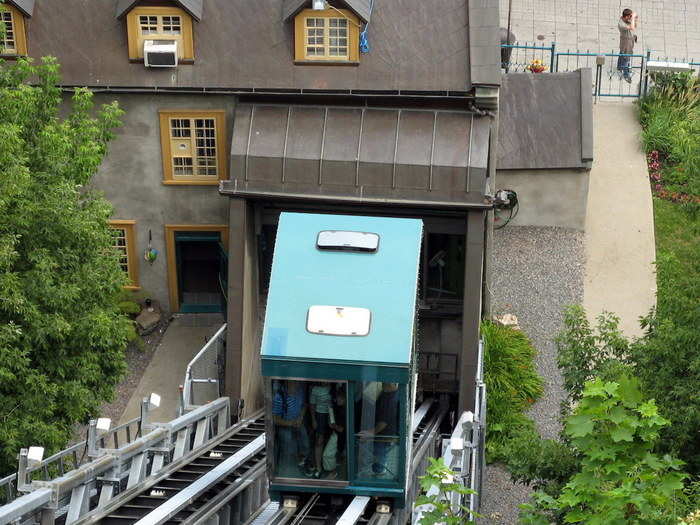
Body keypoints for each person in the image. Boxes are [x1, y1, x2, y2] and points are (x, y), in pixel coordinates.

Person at [357, 382, 400, 477]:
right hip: (384, 431)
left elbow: (383, 422)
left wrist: (371, 433)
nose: (380, 383)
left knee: (378, 451)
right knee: (380, 452)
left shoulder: (391, 400)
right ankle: (378, 469)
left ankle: (379, 472)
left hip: (383, 433)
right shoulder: (388, 393)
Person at [272, 380, 310, 476]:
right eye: (295, 383)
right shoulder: (279, 397)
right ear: (287, 383)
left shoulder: (300, 391)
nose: (297, 385)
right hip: (285, 425)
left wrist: (300, 417)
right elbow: (275, 419)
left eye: (297, 382)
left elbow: (304, 405)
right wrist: (291, 423)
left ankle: (302, 461)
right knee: (289, 444)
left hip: (298, 421)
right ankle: (287, 470)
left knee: (305, 443)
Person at [309, 382, 332, 478]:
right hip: (320, 415)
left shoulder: (334, 386)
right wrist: (314, 419)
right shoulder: (315, 389)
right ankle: (318, 467)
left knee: (330, 440)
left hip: (332, 415)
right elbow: (312, 405)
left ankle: (328, 465)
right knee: (319, 441)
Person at [618, 8, 638, 84]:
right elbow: (632, 28)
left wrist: (634, 19)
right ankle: (626, 75)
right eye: (629, 16)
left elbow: (634, 26)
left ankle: (619, 67)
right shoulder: (621, 24)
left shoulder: (625, 19)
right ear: (626, 17)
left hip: (628, 40)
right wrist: (632, 18)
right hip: (626, 42)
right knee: (626, 58)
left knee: (621, 53)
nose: (630, 18)